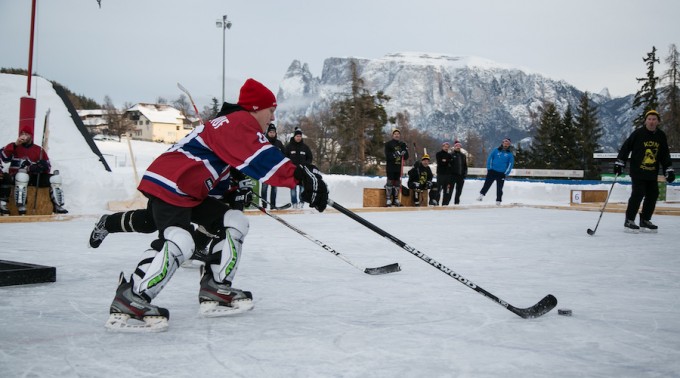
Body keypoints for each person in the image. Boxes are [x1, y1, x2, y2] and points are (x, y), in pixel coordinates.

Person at [104, 78, 328, 332]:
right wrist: (299, 177)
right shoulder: (238, 122)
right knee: (180, 240)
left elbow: (219, 167)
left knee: (234, 220)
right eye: (270, 110)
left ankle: (216, 287)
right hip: (172, 183)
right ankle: (131, 297)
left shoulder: (233, 125)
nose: (272, 117)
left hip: (190, 190)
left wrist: (232, 191)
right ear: (255, 108)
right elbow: (261, 156)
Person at [615, 109, 674, 233]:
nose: (651, 121)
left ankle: (645, 220)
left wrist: (668, 169)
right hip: (638, 171)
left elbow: (664, 155)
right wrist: (620, 162)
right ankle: (629, 220)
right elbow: (626, 147)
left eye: (654, 119)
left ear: (658, 121)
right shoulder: (638, 133)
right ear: (645, 121)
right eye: (649, 119)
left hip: (652, 172)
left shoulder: (661, 136)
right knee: (638, 194)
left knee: (653, 195)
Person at [0, 125, 68, 215]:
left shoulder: (38, 150)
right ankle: (21, 206)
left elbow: (47, 166)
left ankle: (58, 205)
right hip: (17, 177)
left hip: (33, 177)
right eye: (22, 134)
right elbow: (3, 157)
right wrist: (15, 144)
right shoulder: (14, 147)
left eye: (26, 134)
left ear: (31, 136)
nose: (23, 136)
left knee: (55, 178)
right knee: (22, 176)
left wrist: (42, 166)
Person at [477, 137, 514, 205]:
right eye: (505, 143)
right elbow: (490, 158)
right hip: (492, 171)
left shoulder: (510, 154)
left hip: (501, 173)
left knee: (500, 188)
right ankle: (481, 196)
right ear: (502, 143)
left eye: (507, 143)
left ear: (509, 145)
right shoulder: (496, 150)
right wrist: (489, 168)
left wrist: (506, 173)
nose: (506, 144)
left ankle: (498, 200)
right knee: (487, 184)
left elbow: (510, 164)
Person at [284, 127, 313, 209]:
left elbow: (310, 158)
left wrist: (305, 165)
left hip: (302, 171)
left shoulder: (305, 147)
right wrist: (289, 165)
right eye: (297, 136)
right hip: (292, 171)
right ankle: (294, 203)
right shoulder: (289, 147)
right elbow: (285, 157)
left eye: (300, 136)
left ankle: (301, 202)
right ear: (294, 136)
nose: (298, 138)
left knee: (302, 188)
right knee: (293, 188)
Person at [260, 123, 285, 209]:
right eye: (270, 132)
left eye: (273, 132)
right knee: (264, 188)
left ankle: (272, 205)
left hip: (275, 169)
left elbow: (284, 154)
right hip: (265, 169)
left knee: (274, 188)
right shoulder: (264, 142)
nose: (272, 133)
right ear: (268, 132)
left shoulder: (279, 143)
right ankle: (264, 205)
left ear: (275, 133)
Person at [384, 129, 409, 207]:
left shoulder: (402, 144)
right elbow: (387, 155)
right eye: (395, 134)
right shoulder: (388, 144)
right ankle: (388, 199)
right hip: (391, 166)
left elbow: (406, 157)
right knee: (390, 182)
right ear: (393, 135)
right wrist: (395, 154)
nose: (397, 135)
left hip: (399, 166)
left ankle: (396, 198)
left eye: (398, 134)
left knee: (397, 183)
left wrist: (405, 152)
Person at [433, 141, 453, 206]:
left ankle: (445, 203)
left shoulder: (450, 155)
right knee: (439, 189)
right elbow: (441, 163)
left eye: (447, 147)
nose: (446, 148)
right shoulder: (438, 154)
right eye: (445, 147)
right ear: (442, 147)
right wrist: (447, 161)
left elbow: (450, 163)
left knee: (447, 190)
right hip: (440, 174)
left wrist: (445, 161)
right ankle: (436, 202)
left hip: (448, 175)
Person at [450, 141, 468, 205]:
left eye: (459, 146)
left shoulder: (463, 155)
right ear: (454, 147)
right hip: (452, 176)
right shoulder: (451, 155)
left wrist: (465, 174)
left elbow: (465, 166)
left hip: (460, 176)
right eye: (456, 146)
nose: (458, 147)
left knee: (459, 190)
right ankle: (446, 202)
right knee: (450, 190)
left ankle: (457, 202)